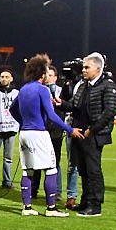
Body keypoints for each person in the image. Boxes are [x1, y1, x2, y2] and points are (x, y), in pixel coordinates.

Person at [11, 55, 73, 217]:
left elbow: (12, 109)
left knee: (27, 171)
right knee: (51, 169)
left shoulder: (23, 89)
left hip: (24, 133)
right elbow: (52, 116)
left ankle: (27, 207)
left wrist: (22, 122)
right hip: (39, 133)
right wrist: (71, 130)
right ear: (42, 73)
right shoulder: (43, 90)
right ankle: (51, 208)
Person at [63, 53, 116, 217]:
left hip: (94, 134)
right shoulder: (83, 86)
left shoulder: (108, 85)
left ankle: (95, 205)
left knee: (93, 170)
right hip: (79, 132)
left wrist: (92, 129)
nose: (83, 70)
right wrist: (61, 104)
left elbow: (109, 111)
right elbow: (74, 105)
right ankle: (86, 202)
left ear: (98, 68)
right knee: (83, 170)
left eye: (87, 67)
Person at [30, 65, 66, 201]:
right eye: (46, 75)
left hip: (56, 130)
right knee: (36, 161)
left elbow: (67, 107)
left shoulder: (62, 92)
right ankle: (34, 189)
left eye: (51, 75)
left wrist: (57, 104)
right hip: (40, 130)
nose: (48, 77)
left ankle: (56, 191)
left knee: (54, 161)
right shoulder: (37, 90)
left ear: (55, 78)